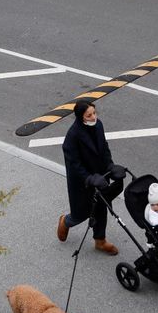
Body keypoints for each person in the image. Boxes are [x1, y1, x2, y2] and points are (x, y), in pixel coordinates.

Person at [56, 101, 125, 255]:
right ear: (81, 117)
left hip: (100, 176)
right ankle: (65, 221)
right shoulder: (73, 136)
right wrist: (89, 178)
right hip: (82, 182)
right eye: (89, 115)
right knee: (80, 214)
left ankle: (100, 240)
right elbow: (74, 164)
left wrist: (110, 166)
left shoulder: (98, 125)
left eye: (94, 113)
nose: (93, 116)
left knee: (101, 207)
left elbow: (104, 148)